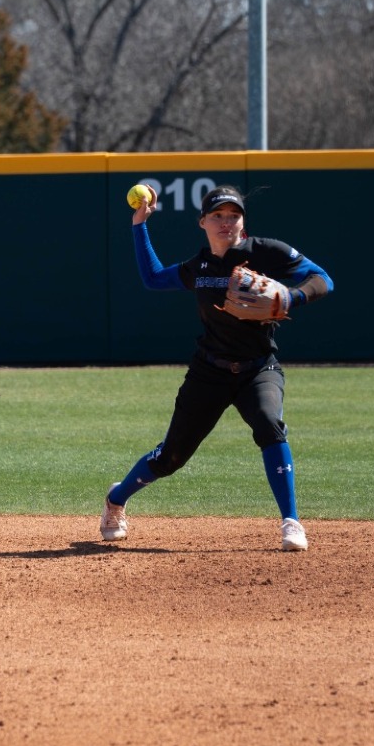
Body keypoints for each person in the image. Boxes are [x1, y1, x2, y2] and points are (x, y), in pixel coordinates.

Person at [100, 185, 334, 551]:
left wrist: (293, 295)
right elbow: (153, 278)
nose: (227, 222)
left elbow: (323, 278)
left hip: (258, 368)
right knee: (171, 457)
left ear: (243, 221)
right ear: (203, 222)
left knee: (269, 423)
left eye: (234, 215)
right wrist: (139, 225)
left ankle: (291, 522)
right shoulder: (200, 266)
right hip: (209, 371)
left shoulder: (265, 251)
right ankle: (117, 499)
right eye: (218, 216)